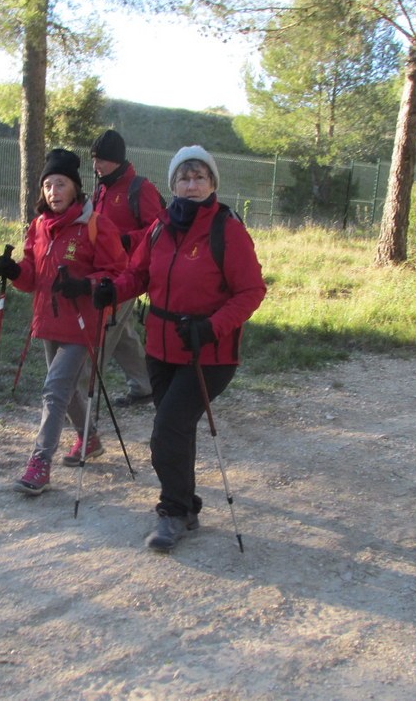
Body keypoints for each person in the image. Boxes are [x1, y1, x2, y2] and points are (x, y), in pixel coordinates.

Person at [93, 145, 266, 551]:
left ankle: (171, 513)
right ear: (172, 184)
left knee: (166, 430)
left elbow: (251, 291)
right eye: (184, 178)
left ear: (212, 184)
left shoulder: (228, 230)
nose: (191, 185)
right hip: (162, 346)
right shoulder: (160, 227)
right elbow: (137, 274)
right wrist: (108, 290)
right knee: (177, 429)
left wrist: (210, 327)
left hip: (209, 353)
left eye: (199, 177)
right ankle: (187, 505)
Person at [0, 148, 128, 495]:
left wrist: (86, 284)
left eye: (61, 184)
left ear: (75, 189)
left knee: (54, 391)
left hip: (83, 323)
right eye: (49, 185)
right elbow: (32, 277)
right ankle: (89, 437)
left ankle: (40, 464)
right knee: (65, 393)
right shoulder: (39, 226)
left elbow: (118, 273)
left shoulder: (96, 225)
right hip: (48, 321)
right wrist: (14, 272)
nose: (54, 191)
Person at [87, 129, 166, 407]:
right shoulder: (102, 188)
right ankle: (145, 386)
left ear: (117, 160)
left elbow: (158, 231)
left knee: (104, 328)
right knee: (122, 333)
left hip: (127, 274)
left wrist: (124, 239)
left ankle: (80, 389)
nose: (96, 166)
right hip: (102, 271)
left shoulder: (140, 189)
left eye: (101, 160)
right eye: (94, 159)